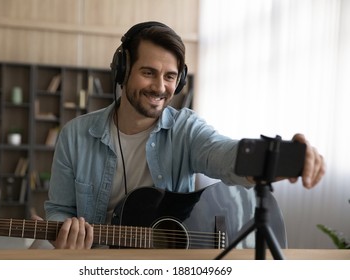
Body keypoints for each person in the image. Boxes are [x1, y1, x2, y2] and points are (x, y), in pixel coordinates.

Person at [43, 21, 325, 249]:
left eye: (170, 76)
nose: (160, 87)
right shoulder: (74, 136)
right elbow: (58, 209)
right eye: (148, 72)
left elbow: (225, 155)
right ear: (123, 70)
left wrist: (284, 158)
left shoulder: (186, 129)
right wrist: (67, 234)